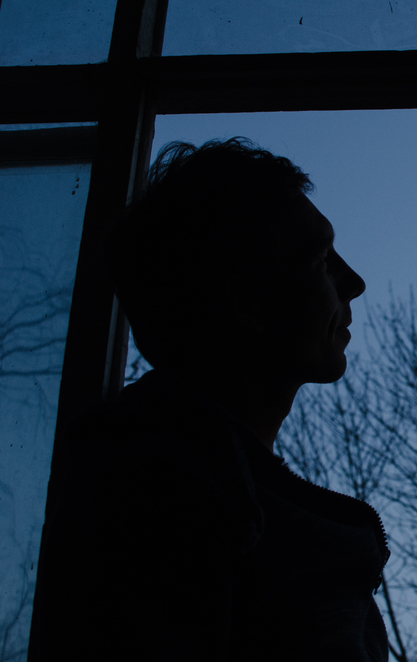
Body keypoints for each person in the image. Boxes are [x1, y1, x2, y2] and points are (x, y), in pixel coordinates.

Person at [29, 138, 388, 660]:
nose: (354, 282)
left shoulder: (182, 484)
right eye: (319, 260)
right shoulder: (154, 500)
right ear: (247, 303)